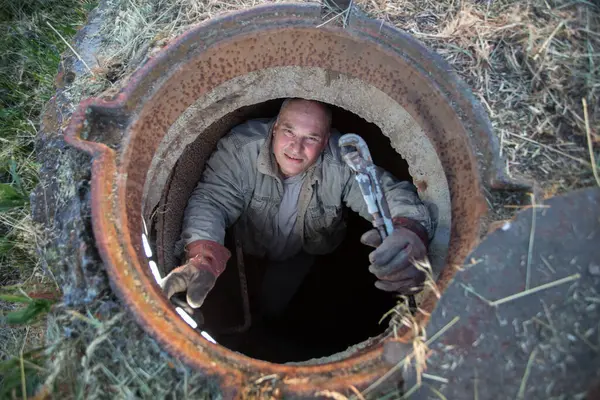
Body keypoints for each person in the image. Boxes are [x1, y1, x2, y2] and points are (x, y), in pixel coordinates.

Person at [161, 98, 436, 318]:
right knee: (237, 294)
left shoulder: (340, 161)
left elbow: (384, 193)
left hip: (302, 253)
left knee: (272, 306)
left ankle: (267, 326)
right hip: (247, 245)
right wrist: (204, 256)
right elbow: (212, 200)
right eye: (289, 132)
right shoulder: (240, 149)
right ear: (275, 127)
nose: (296, 147)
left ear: (326, 140)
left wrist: (409, 230)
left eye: (311, 138)